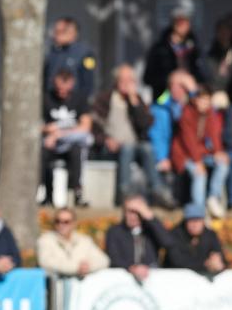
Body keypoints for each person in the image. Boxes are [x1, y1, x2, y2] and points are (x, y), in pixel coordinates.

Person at [91, 64, 175, 207]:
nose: (126, 83)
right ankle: (124, 192)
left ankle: (158, 190)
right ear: (116, 81)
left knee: (147, 149)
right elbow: (95, 124)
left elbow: (146, 124)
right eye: (123, 80)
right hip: (110, 146)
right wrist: (106, 139)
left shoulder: (137, 100)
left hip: (134, 145)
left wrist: (135, 103)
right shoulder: (105, 99)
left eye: (130, 80)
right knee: (127, 148)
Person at [171, 87, 229, 218]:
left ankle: (213, 198)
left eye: (207, 100)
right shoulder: (186, 113)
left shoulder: (209, 113)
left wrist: (218, 151)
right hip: (184, 154)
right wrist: (197, 161)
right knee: (200, 174)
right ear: (195, 100)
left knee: (223, 163)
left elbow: (214, 133)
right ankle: (199, 210)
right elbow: (188, 141)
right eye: (202, 100)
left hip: (201, 152)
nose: (205, 103)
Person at [40, 69, 93, 207]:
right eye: (59, 89)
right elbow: (36, 125)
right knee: (43, 153)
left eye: (65, 89)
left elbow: (85, 127)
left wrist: (58, 134)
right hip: (50, 144)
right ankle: (47, 194)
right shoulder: (46, 98)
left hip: (71, 143)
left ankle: (77, 193)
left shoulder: (80, 99)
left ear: (72, 84)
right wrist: (47, 129)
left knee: (77, 152)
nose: (62, 92)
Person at [105, 195, 175, 283]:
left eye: (137, 212)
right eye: (130, 212)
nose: (133, 216)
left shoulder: (151, 229)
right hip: (124, 279)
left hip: (151, 277)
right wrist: (132, 268)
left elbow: (168, 243)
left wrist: (150, 217)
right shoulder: (115, 231)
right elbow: (113, 258)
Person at [144, 3, 205, 99]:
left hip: (190, 98)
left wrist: (189, 79)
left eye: (185, 21)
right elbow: (148, 78)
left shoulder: (195, 48)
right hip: (164, 98)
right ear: (173, 23)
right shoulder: (159, 49)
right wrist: (171, 78)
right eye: (179, 21)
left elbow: (204, 76)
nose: (182, 25)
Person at [149, 70, 196, 192]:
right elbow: (157, 136)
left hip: (191, 154)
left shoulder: (193, 107)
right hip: (169, 156)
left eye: (182, 86)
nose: (176, 89)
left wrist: (194, 92)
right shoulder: (160, 108)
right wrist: (162, 157)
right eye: (173, 85)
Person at [36, 208, 109, 277]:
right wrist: (76, 267)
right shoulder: (46, 240)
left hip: (82, 282)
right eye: (58, 221)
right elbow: (45, 262)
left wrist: (89, 266)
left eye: (66, 222)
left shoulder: (84, 240)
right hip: (56, 283)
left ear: (74, 223)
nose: (61, 224)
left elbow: (103, 260)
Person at [44, 17, 97, 102]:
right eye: (55, 31)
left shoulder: (85, 53)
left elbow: (88, 83)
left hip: (73, 103)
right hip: (51, 101)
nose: (55, 35)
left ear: (72, 32)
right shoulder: (52, 52)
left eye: (60, 31)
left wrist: (83, 104)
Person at [164, 203, 226, 275]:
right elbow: (176, 261)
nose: (194, 225)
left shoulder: (210, 235)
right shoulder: (175, 234)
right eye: (191, 220)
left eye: (197, 220)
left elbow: (220, 257)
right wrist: (205, 264)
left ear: (203, 221)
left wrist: (218, 262)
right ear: (185, 221)